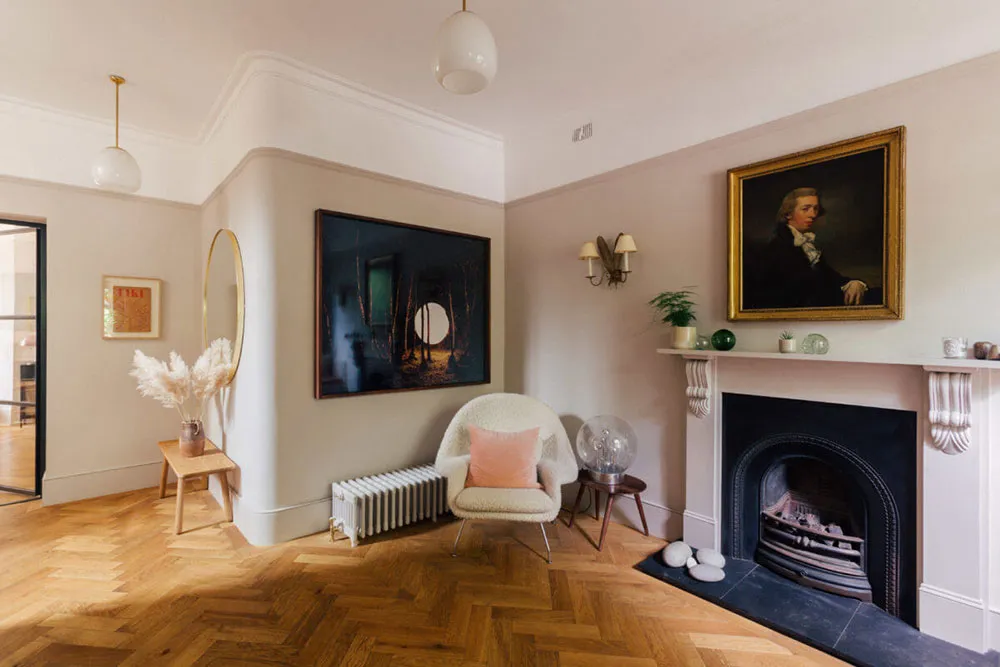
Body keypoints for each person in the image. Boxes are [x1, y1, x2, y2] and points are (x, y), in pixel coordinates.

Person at [746, 187, 868, 310]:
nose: (813, 215)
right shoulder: (776, 246)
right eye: (806, 209)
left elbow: (830, 277)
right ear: (788, 213)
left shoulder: (808, 245)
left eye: (815, 209)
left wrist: (854, 283)